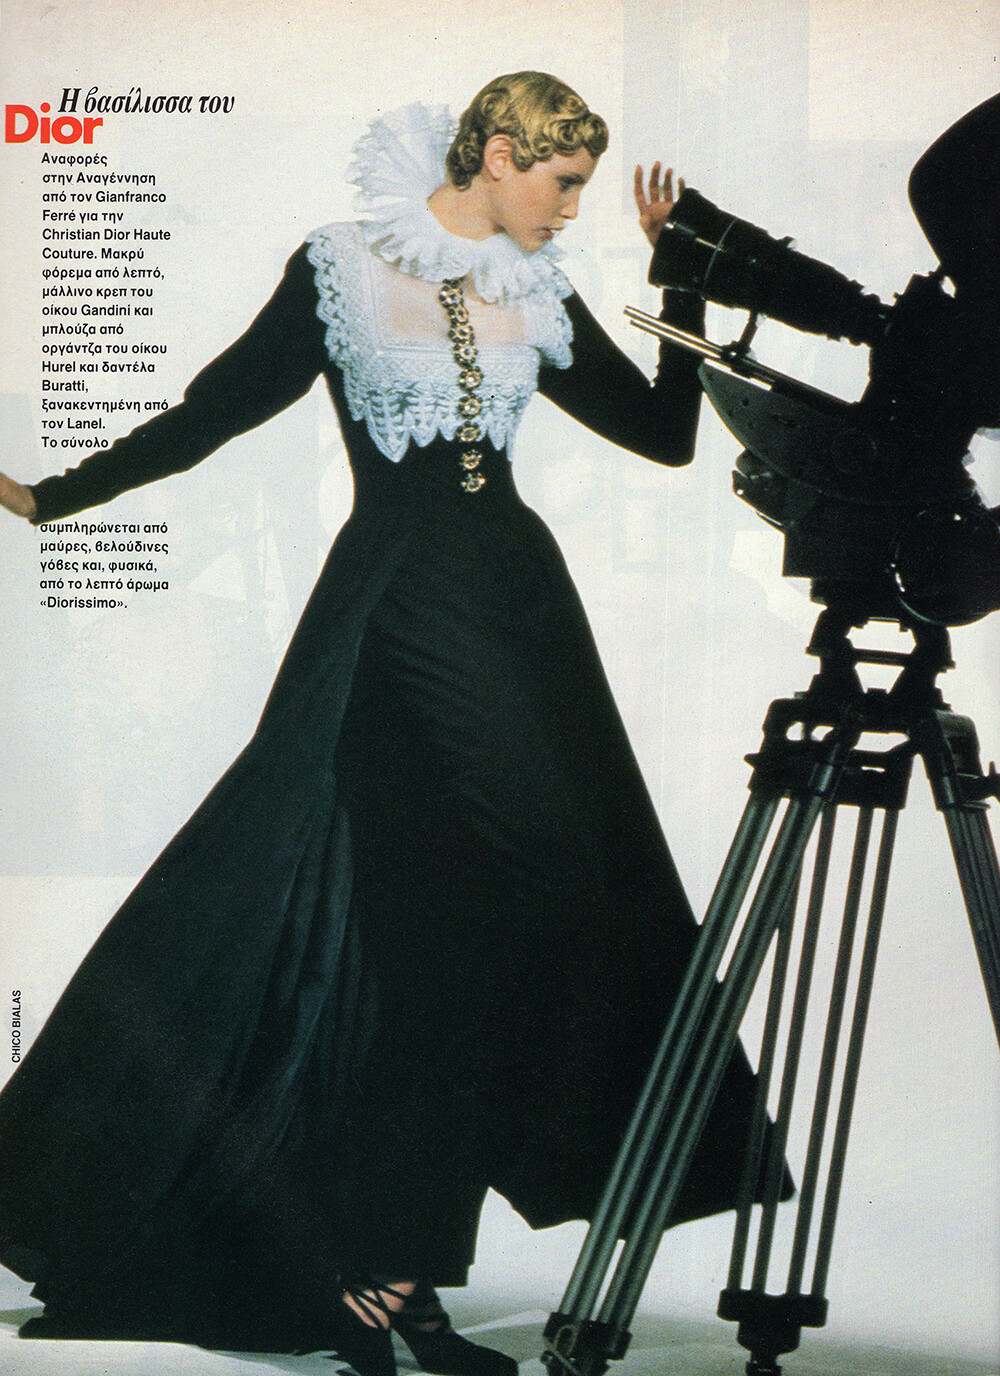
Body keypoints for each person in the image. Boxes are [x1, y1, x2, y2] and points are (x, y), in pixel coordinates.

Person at [0, 73, 778, 1375]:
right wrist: (52, 498)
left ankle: (396, 1269)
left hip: (521, 625)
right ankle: (376, 1271)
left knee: (518, 930)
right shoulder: (342, 267)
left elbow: (662, 436)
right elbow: (214, 410)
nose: (571, 209)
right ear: (495, 155)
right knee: (400, 941)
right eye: (561, 183)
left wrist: (682, 286)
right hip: (393, 620)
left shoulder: (538, 285)